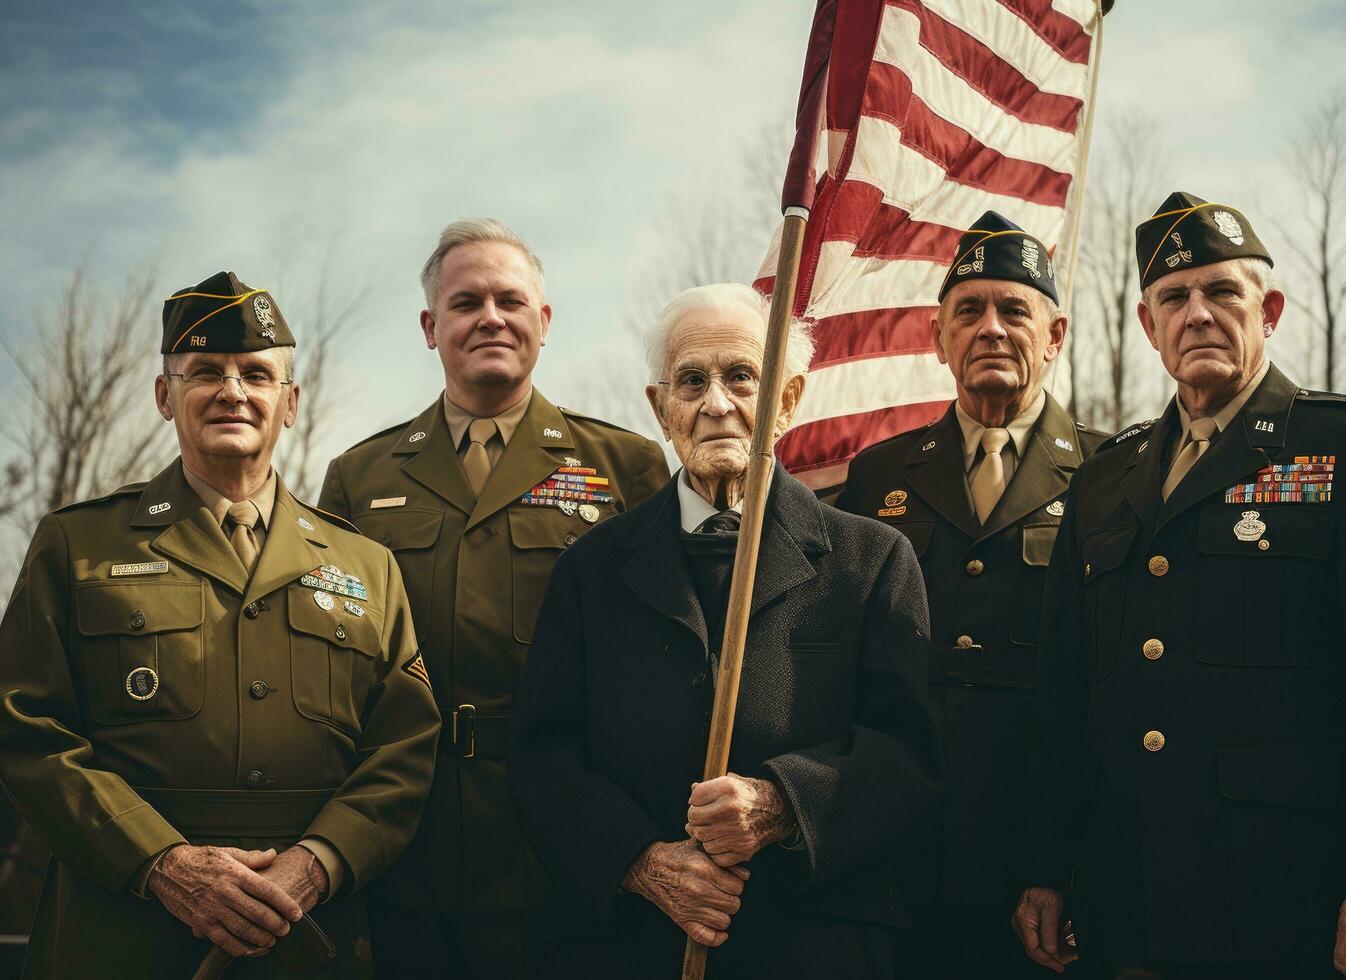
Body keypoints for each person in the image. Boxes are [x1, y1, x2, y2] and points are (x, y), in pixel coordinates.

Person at [1013, 192, 1346, 980]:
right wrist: (1048, 866)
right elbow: (1065, 697)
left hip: (1297, 903)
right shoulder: (1104, 478)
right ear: (1148, 327)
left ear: (1271, 310)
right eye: (1174, 299)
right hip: (1134, 903)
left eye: (1223, 292)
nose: (1198, 315)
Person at [0, 271, 440, 978]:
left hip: (307, 935)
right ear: (164, 396)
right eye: (205, 371)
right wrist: (161, 861)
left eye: (256, 374)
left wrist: (316, 864)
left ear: (290, 402)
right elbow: (24, 726)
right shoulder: (78, 546)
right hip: (122, 932)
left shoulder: (368, 565)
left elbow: (407, 749)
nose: (233, 390)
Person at [508, 283, 942, 979]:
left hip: (815, 943)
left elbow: (908, 753)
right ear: (660, 408)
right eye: (691, 380)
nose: (716, 403)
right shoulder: (590, 569)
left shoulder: (872, 560)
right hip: (628, 945)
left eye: (743, 377)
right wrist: (643, 865)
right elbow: (542, 756)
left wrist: (781, 804)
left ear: (789, 400)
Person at [317, 218, 669, 976]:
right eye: (466, 301)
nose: (490, 318)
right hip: (409, 836)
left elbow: (659, 665)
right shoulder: (360, 477)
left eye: (511, 300)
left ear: (543, 322)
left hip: (566, 838)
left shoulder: (626, 466)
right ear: (430, 326)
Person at [837, 211, 1104, 977]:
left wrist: (1074, 863)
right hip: (900, 841)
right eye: (970, 311)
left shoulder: (1110, 473)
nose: (992, 328)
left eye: (1015, 310)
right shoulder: (878, 477)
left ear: (1054, 336)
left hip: (1041, 852)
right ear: (938, 337)